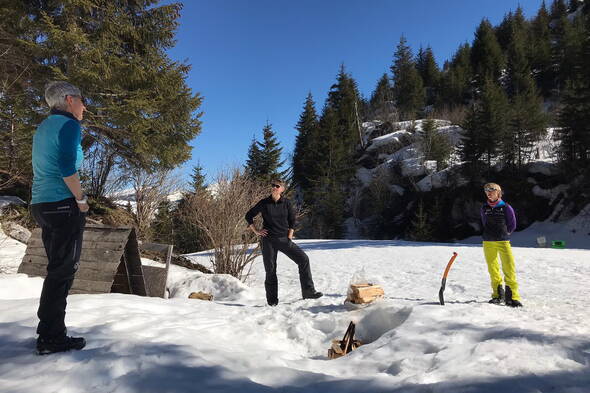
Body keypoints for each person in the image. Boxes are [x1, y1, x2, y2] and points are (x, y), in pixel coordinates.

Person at [31, 81, 88, 354]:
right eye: (81, 100)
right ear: (69, 99)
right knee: (63, 272)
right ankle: (52, 338)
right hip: (62, 205)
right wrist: (81, 200)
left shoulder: (44, 127)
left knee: (56, 270)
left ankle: (49, 332)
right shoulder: (69, 125)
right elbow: (67, 167)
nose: (84, 106)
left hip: (41, 204)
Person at [245, 179, 322, 306]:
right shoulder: (264, 203)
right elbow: (248, 215)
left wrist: (290, 233)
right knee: (270, 270)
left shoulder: (286, 203)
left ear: (282, 189)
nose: (274, 187)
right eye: (273, 185)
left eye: (277, 186)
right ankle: (272, 301)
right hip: (268, 240)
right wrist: (256, 231)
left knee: (303, 259)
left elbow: (292, 219)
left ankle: (308, 292)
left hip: (283, 239)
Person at [480, 183, 523, 308]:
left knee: (509, 268)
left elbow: (512, 224)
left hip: (503, 241)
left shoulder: (506, 207)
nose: (488, 192)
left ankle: (512, 297)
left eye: (491, 190)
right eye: (486, 190)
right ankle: (498, 295)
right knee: (493, 269)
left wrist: (505, 233)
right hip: (488, 242)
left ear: (498, 192)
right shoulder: (484, 208)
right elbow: (484, 222)